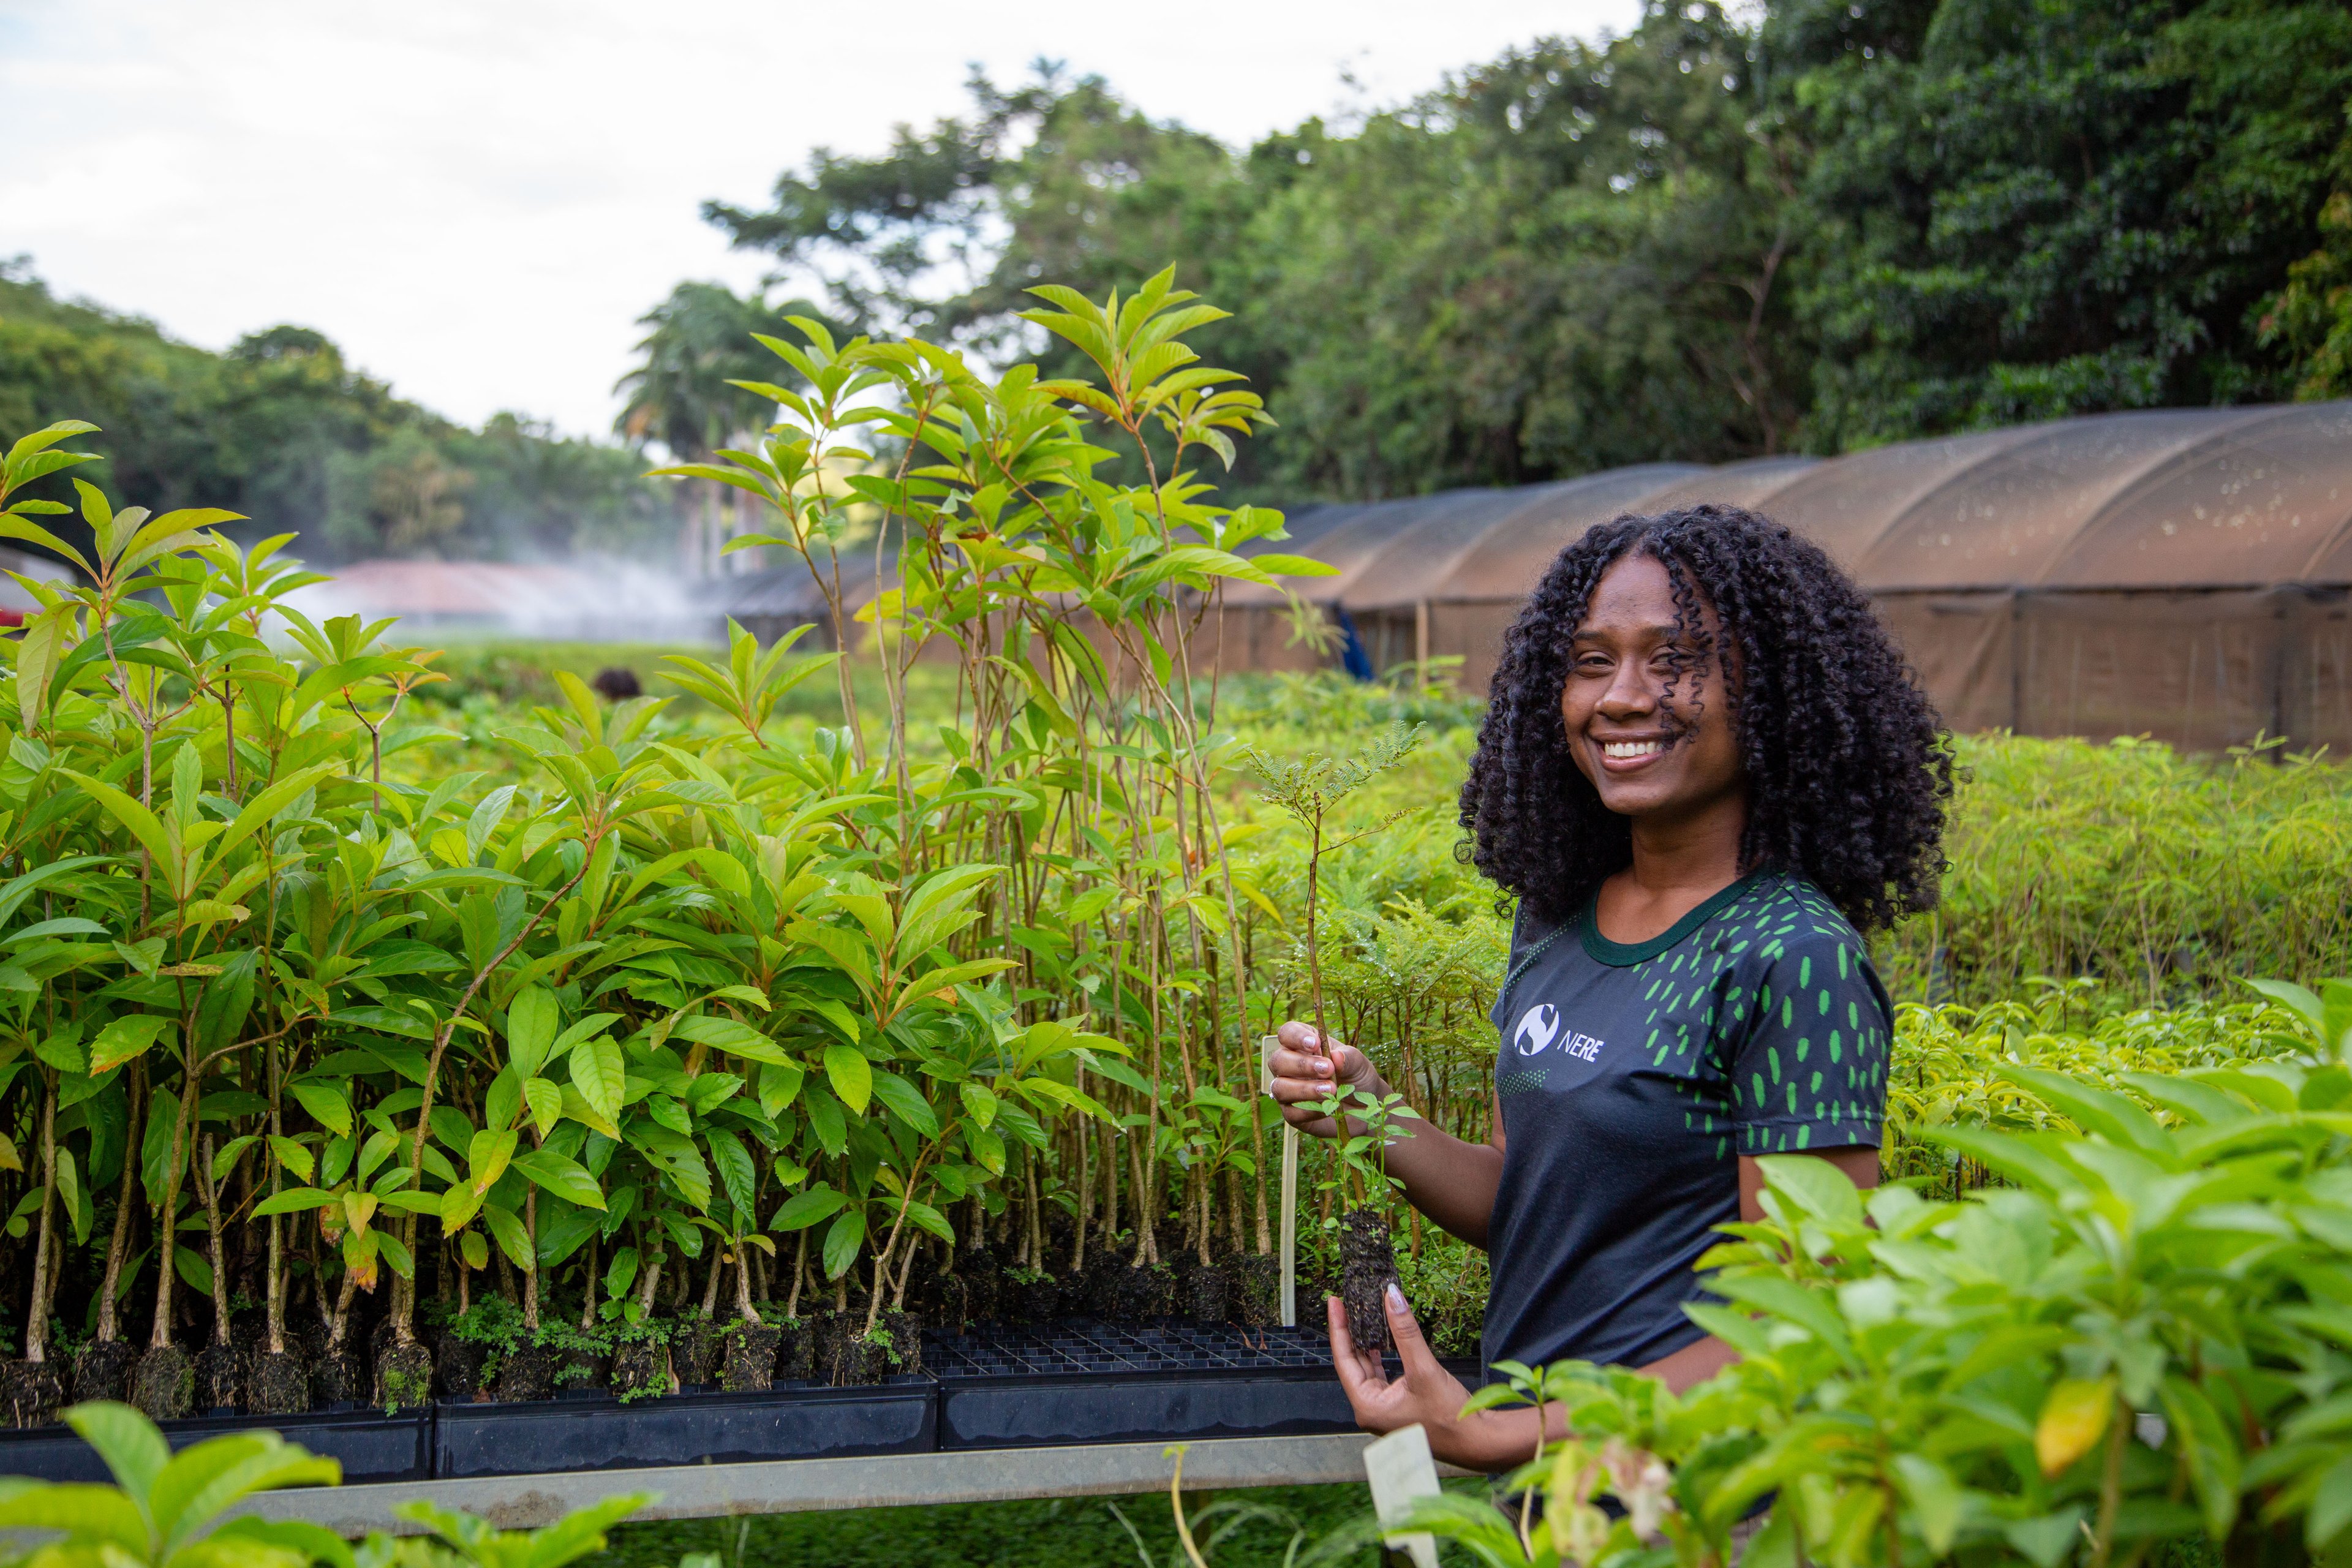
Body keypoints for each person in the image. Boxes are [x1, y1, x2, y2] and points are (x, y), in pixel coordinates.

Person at [1265, 503, 1951, 1471]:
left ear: (1774, 691)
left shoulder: (1794, 959)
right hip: (1550, 1490)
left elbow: (1802, 1322)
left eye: (1675, 660)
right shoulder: (1557, 919)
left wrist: (1501, 1432)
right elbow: (1535, 1197)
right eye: (1591, 662)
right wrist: (1373, 1115)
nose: (1623, 697)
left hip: (1701, 1501)